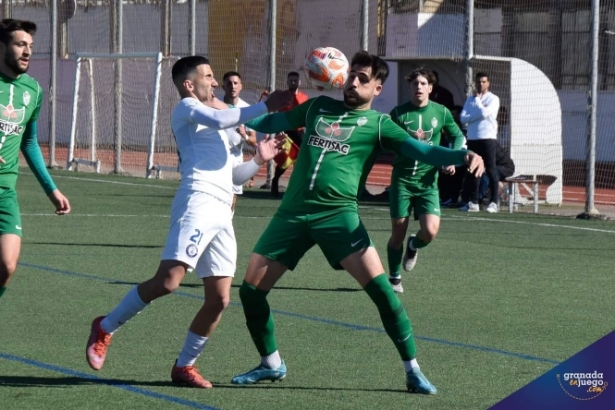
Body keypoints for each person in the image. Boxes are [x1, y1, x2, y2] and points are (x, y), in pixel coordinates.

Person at [229, 51, 484, 394]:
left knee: (383, 293)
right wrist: (229, 116)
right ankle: (271, 364)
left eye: (363, 79)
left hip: (339, 216)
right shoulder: (318, 106)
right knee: (250, 291)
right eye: (352, 75)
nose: (353, 82)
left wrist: (462, 154)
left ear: (377, 88)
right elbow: (274, 123)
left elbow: (422, 151)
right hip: (292, 214)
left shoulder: (380, 125)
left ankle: (413, 369)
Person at [85, 55, 292, 388]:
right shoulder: (188, 109)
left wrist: (258, 159)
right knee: (168, 282)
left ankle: (185, 366)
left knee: (220, 298)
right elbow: (221, 118)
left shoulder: (221, 123)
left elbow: (233, 175)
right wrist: (266, 106)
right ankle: (105, 327)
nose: (214, 82)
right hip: (198, 201)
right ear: (188, 84)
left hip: (224, 210)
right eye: (208, 76)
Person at [0, 19, 71, 301]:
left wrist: (51, 189)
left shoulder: (33, 91)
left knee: (7, 265)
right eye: (20, 44)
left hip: (5, 193)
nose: (27, 51)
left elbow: (29, 142)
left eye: (30, 46)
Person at [386, 69, 466, 293]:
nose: (418, 87)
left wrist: (453, 157)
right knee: (397, 234)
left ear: (431, 88)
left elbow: (458, 135)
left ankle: (414, 245)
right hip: (402, 181)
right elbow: (383, 140)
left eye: (423, 83)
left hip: (427, 182)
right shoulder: (398, 113)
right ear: (410, 87)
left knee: (430, 232)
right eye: (414, 84)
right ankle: (394, 277)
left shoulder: (440, 112)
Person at [459, 72, 500, 213]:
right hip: (473, 139)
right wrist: (474, 113)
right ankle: (474, 202)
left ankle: (494, 202)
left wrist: (477, 103)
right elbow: (463, 118)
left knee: (490, 169)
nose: (480, 84)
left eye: (483, 82)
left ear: (488, 83)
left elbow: (484, 113)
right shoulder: (470, 99)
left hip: (487, 138)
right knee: (473, 171)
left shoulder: (493, 99)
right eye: (478, 82)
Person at [262, 72, 309, 196]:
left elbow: (305, 114)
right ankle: (275, 181)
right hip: (284, 131)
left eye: (295, 80)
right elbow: (277, 114)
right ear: (287, 82)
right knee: (285, 160)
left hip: (299, 131)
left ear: (299, 82)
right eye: (291, 80)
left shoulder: (304, 97)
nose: (293, 82)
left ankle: (295, 187)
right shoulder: (282, 96)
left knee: (301, 159)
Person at [222, 71, 257, 210]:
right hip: (215, 156)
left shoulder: (247, 109)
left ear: (241, 86)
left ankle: (227, 222)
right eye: (229, 83)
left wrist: (245, 135)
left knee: (232, 197)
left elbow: (253, 140)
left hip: (235, 159)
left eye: (235, 83)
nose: (232, 86)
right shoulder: (214, 104)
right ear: (223, 85)